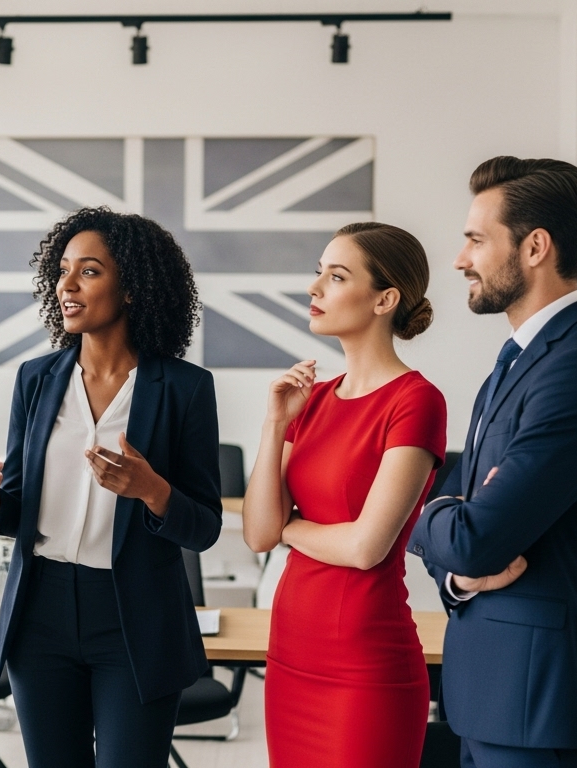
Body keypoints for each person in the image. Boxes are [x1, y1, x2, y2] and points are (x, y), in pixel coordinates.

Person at [0, 207, 222, 768]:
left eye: (90, 271)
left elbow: (205, 527)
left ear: (132, 288)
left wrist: (153, 490)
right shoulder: (36, 378)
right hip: (40, 613)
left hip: (135, 619)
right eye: (63, 270)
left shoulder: (185, 389)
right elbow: (18, 508)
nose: (67, 285)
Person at [408, 157, 577, 768]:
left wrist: (433, 514)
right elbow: (463, 531)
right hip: (496, 697)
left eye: (476, 239)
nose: (461, 259)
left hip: (547, 709)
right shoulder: (518, 360)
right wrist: (461, 573)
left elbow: (475, 534)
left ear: (535, 247)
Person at [239, 222, 446, 768]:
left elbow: (364, 548)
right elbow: (259, 533)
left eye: (336, 277)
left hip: (366, 668)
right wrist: (274, 423)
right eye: (318, 274)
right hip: (289, 657)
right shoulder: (314, 398)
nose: (315, 290)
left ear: (385, 298)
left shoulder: (416, 401)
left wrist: (291, 529)